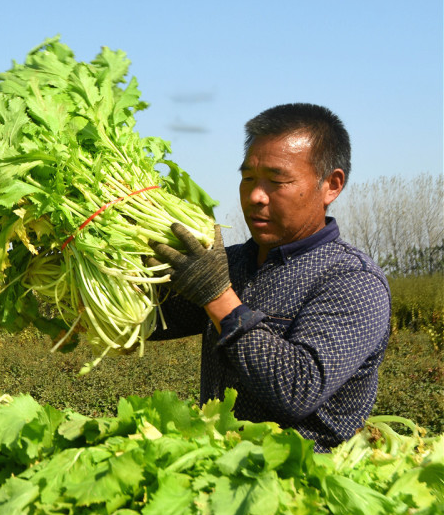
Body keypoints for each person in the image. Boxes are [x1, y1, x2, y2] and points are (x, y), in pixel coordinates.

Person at [148, 103, 391, 452]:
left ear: (331, 185)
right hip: (216, 469)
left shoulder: (353, 280)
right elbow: (153, 319)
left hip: (305, 484)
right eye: (248, 179)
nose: (256, 197)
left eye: (277, 181)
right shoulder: (231, 263)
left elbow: (298, 388)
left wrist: (218, 297)